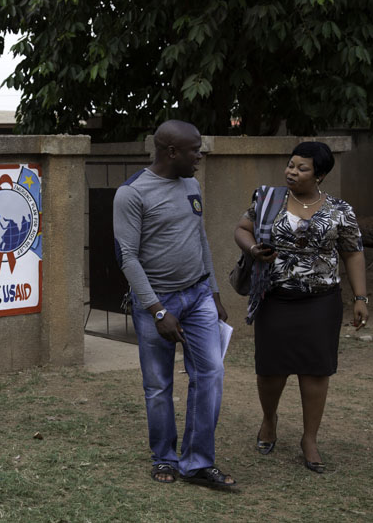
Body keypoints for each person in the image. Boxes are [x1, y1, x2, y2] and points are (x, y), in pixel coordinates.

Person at [113, 120, 235, 488]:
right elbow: (128, 258)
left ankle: (196, 463)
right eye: (195, 149)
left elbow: (200, 239)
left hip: (198, 295)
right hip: (158, 301)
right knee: (158, 385)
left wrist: (213, 291)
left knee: (210, 373)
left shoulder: (192, 184)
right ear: (171, 152)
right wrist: (157, 310)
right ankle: (164, 457)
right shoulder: (132, 194)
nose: (200, 155)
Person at [234, 141, 368, 474]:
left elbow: (352, 252)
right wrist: (252, 250)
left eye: (301, 168)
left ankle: (310, 439)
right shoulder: (267, 200)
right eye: (291, 165)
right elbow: (241, 229)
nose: (292, 172)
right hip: (275, 297)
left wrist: (361, 298)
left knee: (316, 370)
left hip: (321, 301)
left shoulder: (340, 209)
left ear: (320, 175)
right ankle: (269, 420)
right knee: (270, 371)